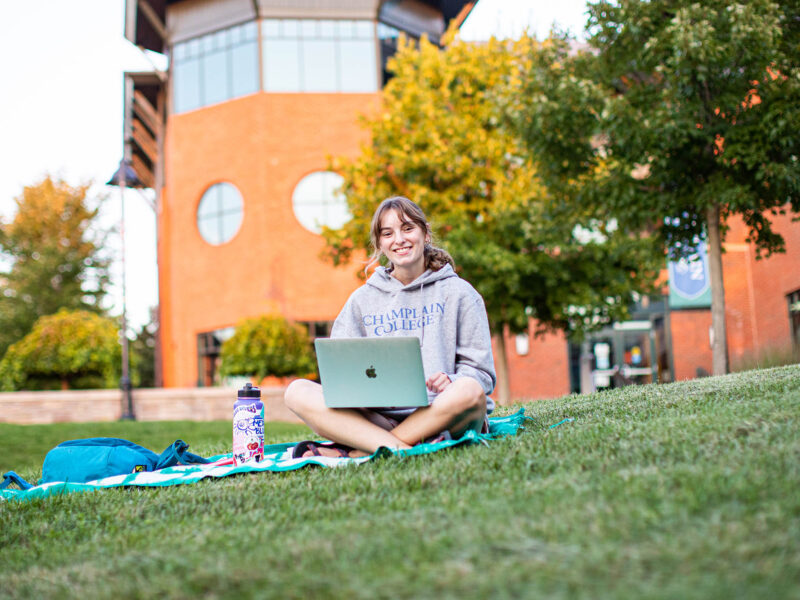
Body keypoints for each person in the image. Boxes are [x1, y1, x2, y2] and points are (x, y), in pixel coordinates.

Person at [284, 196, 496, 458]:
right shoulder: (361, 300)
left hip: (445, 415)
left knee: (469, 390)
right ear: (380, 244)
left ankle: (363, 451)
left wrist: (452, 380)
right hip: (379, 419)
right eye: (388, 233)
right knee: (297, 392)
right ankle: (399, 447)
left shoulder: (460, 293)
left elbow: (482, 375)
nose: (399, 239)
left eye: (408, 228)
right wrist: (357, 390)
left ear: (425, 234)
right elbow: (338, 373)